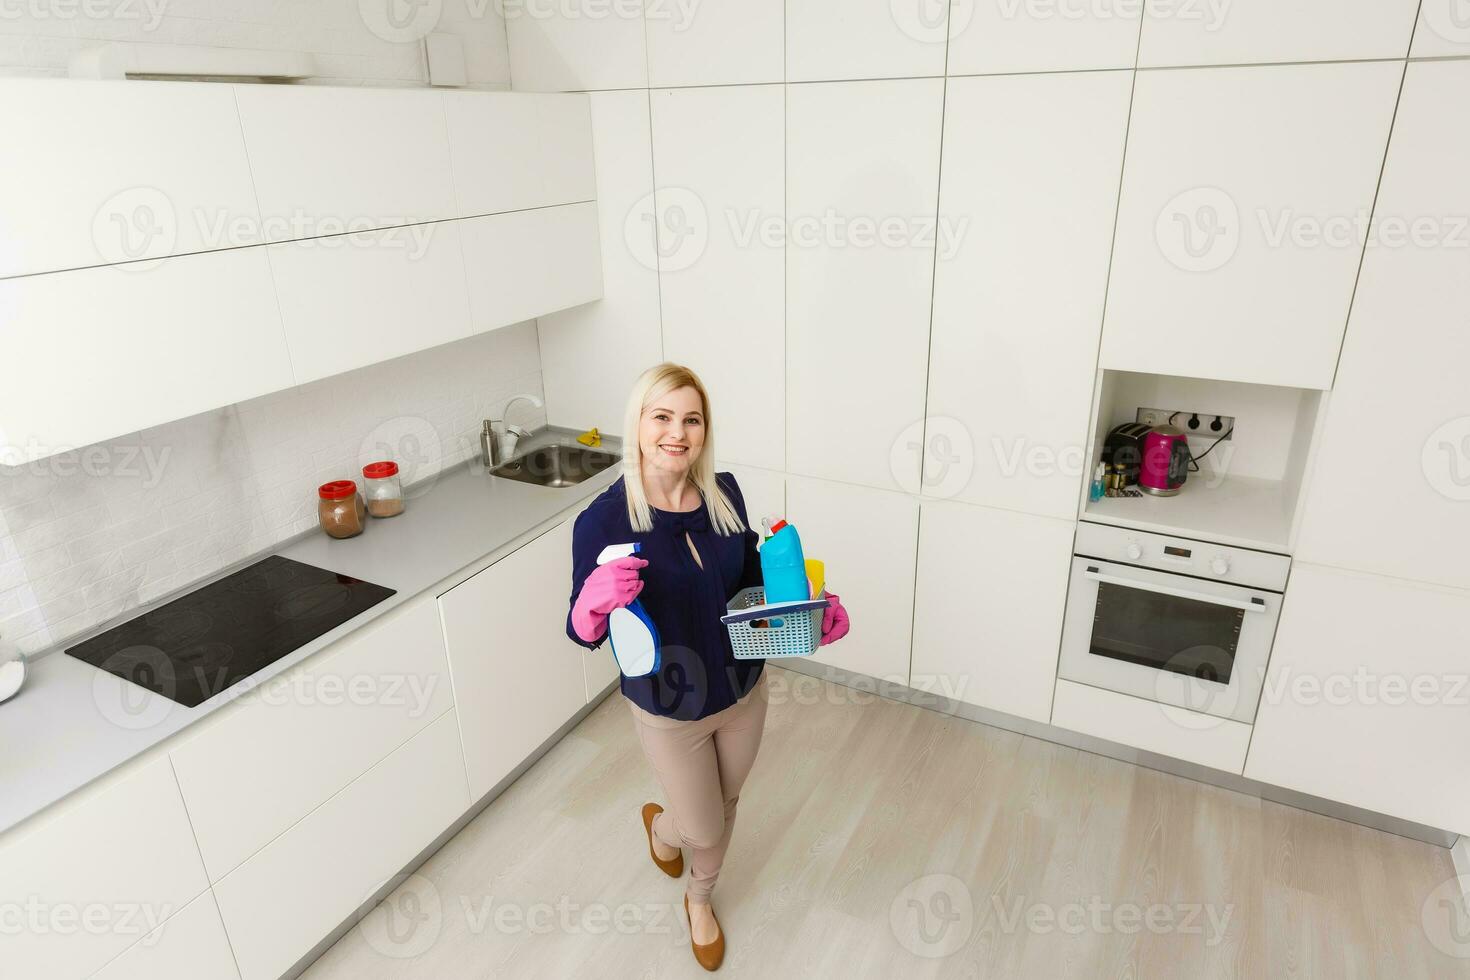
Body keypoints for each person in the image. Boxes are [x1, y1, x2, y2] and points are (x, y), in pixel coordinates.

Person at [565, 362, 850, 970]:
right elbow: (581, 630)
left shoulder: (725, 493)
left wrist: (813, 604)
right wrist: (593, 601)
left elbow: (753, 582)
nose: (677, 431)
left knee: (724, 804)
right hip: (670, 706)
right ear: (638, 424)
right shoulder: (604, 521)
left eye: (691, 419)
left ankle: (679, 851)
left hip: (743, 687)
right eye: (662, 416)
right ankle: (694, 893)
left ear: (704, 429)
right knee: (706, 827)